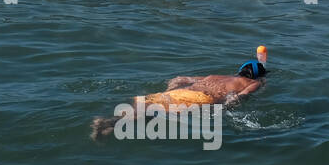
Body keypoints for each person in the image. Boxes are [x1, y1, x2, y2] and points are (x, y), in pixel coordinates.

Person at [91, 46, 269, 139]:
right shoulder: (253, 83)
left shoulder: (214, 76)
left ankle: (109, 126)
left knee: (145, 108)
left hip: (183, 91)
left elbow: (179, 78)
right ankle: (108, 124)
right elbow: (240, 97)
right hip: (200, 99)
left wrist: (169, 90)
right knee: (152, 113)